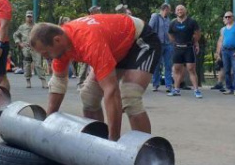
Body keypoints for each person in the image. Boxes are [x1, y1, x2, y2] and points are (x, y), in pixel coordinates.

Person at [30, 13, 161, 141]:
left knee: (130, 97)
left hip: (140, 40)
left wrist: (113, 140)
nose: (45, 57)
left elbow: (111, 90)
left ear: (57, 40)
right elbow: (58, 84)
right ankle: (98, 142)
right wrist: (46, 125)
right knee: (88, 95)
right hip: (114, 47)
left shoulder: (88, 41)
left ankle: (147, 152)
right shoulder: (60, 47)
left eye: (46, 52)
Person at [167, 5, 202, 99]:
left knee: (191, 69)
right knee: (177, 69)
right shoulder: (173, 23)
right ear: (175, 12)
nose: (180, 11)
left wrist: (195, 43)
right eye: (178, 9)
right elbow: (170, 34)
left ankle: (196, 90)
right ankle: (176, 89)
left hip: (189, 48)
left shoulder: (192, 22)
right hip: (177, 49)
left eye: (181, 9)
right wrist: (175, 42)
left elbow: (197, 33)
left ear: (185, 11)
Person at [13, 10, 47, 89]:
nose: (29, 18)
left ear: (32, 17)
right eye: (28, 16)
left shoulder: (37, 26)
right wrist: (19, 43)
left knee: (38, 64)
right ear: (26, 17)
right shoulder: (22, 27)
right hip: (26, 48)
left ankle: (43, 81)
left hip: (36, 48)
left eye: (30, 17)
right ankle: (28, 80)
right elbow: (15, 35)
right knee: (27, 64)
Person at [215, 11, 235, 96]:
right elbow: (221, 41)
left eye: (229, 16)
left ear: (233, 17)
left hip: (234, 50)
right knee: (226, 70)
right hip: (225, 51)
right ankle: (229, 88)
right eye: (226, 17)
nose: (227, 18)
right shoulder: (223, 29)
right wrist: (218, 53)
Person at [149, 3, 173, 93]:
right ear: (165, 9)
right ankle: (155, 84)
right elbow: (150, 29)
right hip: (157, 44)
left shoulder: (168, 19)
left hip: (167, 44)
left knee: (168, 65)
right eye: (169, 10)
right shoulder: (155, 17)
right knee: (157, 65)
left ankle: (168, 85)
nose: (170, 11)